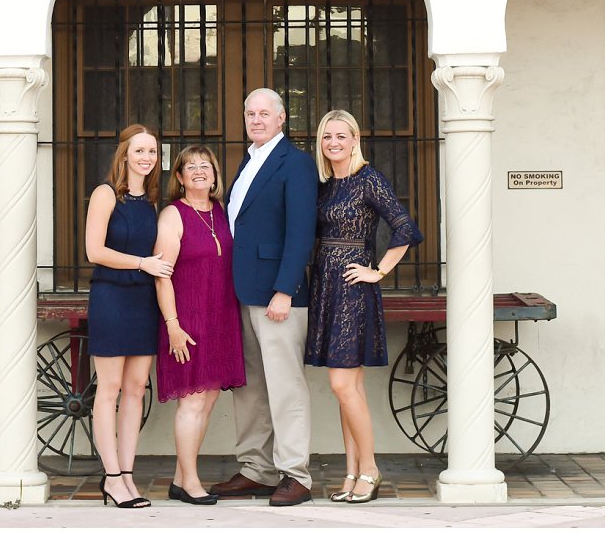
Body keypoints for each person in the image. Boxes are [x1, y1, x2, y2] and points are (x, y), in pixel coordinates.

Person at [304, 109, 423, 503]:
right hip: (326, 284)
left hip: (353, 288)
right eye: (327, 137)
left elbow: (404, 226)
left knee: (342, 384)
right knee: (347, 388)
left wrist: (380, 271)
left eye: (341, 136)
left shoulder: (368, 179)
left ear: (355, 139)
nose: (334, 142)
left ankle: (370, 468)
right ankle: (352, 470)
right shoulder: (324, 185)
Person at [209, 87, 318, 507]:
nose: (256, 120)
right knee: (250, 386)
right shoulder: (249, 160)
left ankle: (295, 474)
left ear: (281, 119)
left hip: (277, 296)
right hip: (243, 292)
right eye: (249, 113)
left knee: (285, 386)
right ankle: (256, 469)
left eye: (264, 113)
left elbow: (299, 232)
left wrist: (284, 289)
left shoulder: (296, 164)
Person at [152, 145, 245, 505]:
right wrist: (172, 325)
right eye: (190, 167)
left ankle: (180, 478)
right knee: (190, 403)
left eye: (205, 165)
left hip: (220, 317)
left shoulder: (221, 211)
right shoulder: (173, 216)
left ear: (215, 174)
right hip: (186, 319)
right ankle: (191, 482)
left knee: (205, 401)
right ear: (179, 177)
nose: (199, 171)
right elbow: (162, 275)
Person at [84, 123, 170, 508]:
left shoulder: (150, 201)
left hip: (142, 302)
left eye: (152, 152)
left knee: (137, 388)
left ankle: (128, 475)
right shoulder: (106, 194)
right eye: (140, 151)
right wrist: (142, 264)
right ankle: (111, 477)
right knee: (110, 388)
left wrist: (149, 270)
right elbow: (94, 251)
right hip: (112, 298)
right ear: (124, 154)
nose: (147, 158)